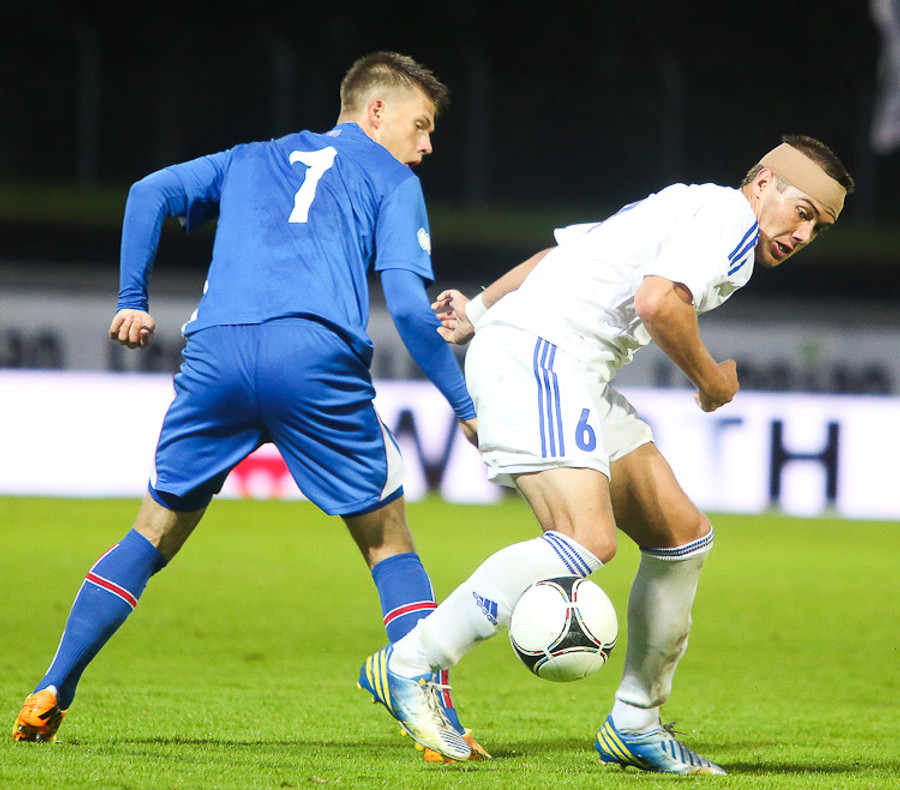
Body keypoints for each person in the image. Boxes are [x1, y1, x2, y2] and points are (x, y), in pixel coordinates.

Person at [13, 51, 487, 758]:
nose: (427, 145)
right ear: (375, 111)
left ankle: (52, 686)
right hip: (313, 357)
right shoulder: (393, 181)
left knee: (151, 533)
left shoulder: (249, 157)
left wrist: (133, 298)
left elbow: (147, 192)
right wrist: (466, 405)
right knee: (388, 541)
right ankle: (435, 717)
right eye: (421, 125)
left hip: (218, 355)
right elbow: (413, 313)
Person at [356, 134, 854, 771]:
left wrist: (479, 308)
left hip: (569, 368)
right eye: (803, 213)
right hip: (543, 354)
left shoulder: (686, 204)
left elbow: (559, 255)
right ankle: (410, 662)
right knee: (584, 540)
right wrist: (711, 381)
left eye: (819, 227)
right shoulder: (729, 219)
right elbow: (658, 302)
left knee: (682, 536)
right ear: (762, 183)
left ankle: (635, 722)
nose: (804, 234)